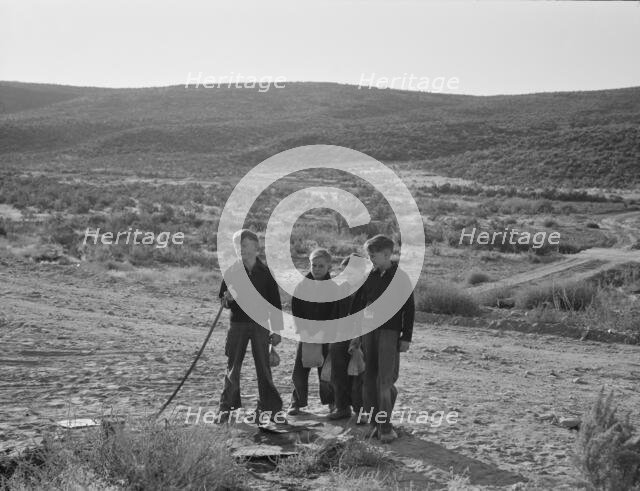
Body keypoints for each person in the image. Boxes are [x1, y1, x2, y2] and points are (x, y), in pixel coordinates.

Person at [350, 235, 415, 443]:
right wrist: (355, 335)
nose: (371, 259)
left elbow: (409, 309)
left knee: (385, 380)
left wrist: (406, 337)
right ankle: (373, 424)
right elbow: (358, 306)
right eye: (369, 256)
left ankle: (385, 428)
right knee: (369, 379)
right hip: (369, 331)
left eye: (373, 255)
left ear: (387, 254)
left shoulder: (401, 277)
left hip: (390, 333)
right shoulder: (370, 276)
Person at [217, 229, 284, 423]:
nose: (241, 249)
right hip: (237, 324)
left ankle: (269, 409)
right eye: (238, 246)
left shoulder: (265, 273)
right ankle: (226, 409)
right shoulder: (232, 271)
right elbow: (224, 300)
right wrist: (227, 299)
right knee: (232, 368)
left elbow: (275, 304)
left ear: (256, 247)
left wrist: (277, 330)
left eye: (244, 245)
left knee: (264, 368)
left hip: (261, 325)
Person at [288, 248, 339, 415]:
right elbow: (296, 310)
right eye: (314, 265)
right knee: (300, 370)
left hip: (325, 335)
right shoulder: (302, 286)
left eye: (321, 266)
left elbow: (334, 312)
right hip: (306, 334)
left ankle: (331, 401)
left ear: (329, 267)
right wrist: (303, 330)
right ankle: (297, 402)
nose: (316, 269)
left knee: (326, 371)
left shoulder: (333, 288)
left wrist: (327, 332)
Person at [328, 253, 369, 420]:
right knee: (338, 373)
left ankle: (361, 411)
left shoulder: (368, 290)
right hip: (340, 335)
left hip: (362, 337)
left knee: (360, 375)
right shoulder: (341, 289)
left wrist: (359, 337)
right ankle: (342, 407)